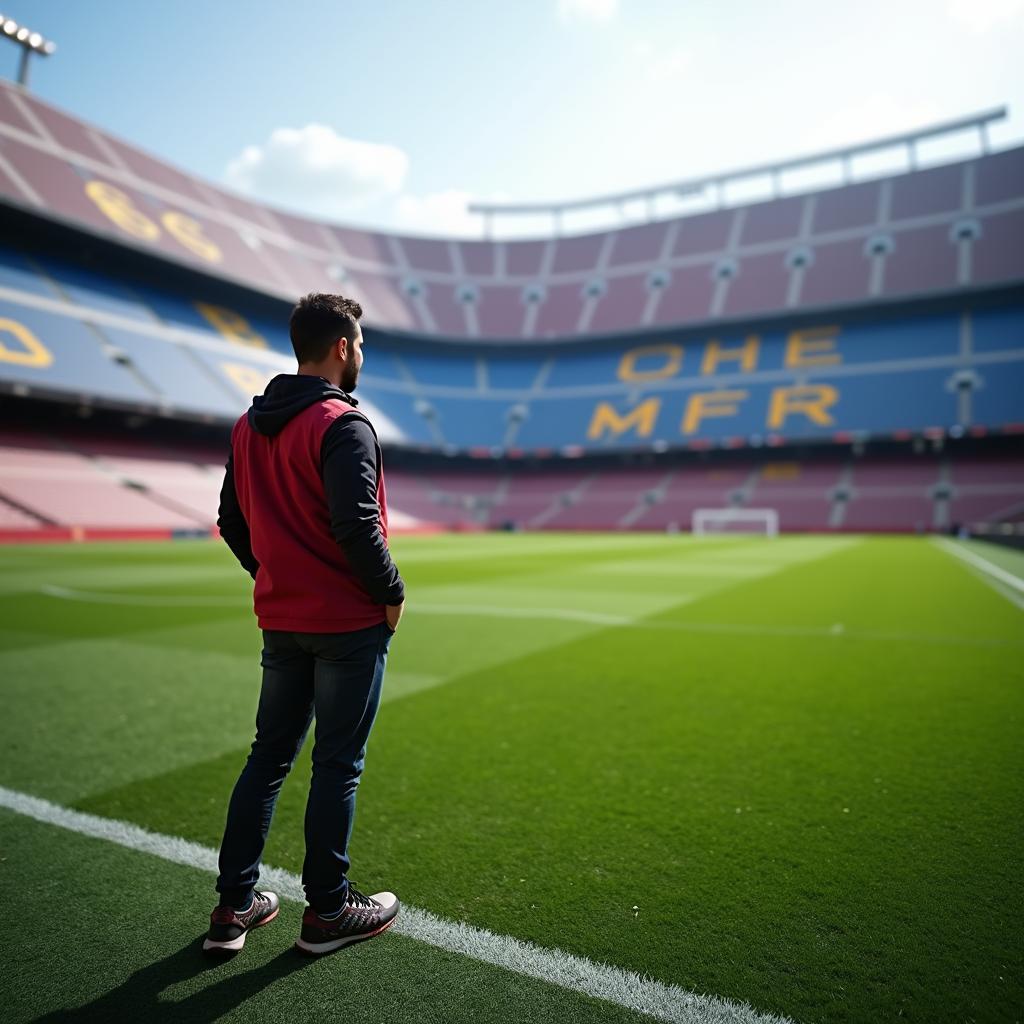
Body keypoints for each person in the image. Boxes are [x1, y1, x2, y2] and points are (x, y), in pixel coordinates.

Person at [204, 292, 405, 957]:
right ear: (342, 348)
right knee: (337, 765)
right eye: (362, 346)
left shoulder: (247, 424)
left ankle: (233, 907)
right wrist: (392, 591)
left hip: (280, 620)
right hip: (346, 625)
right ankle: (327, 912)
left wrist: (275, 574)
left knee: (267, 758)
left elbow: (231, 521)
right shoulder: (343, 425)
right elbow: (358, 526)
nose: (363, 357)